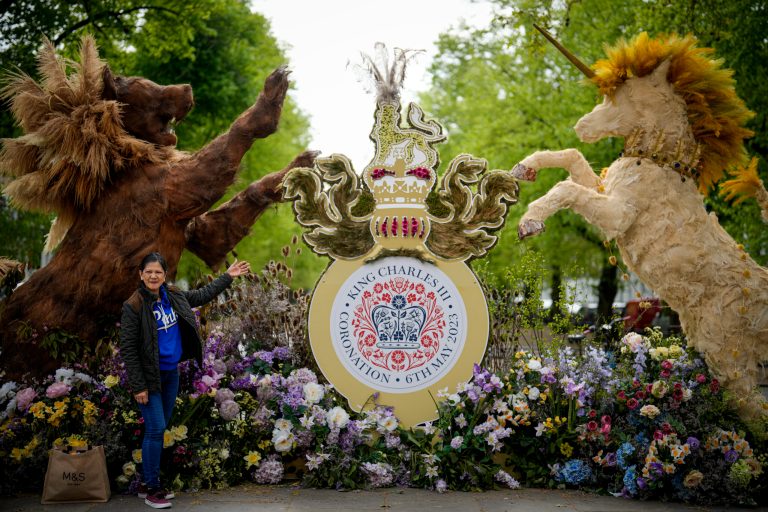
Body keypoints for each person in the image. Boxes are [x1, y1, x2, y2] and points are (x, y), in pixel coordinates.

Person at [120, 252, 250, 509]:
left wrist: (227, 277)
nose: (153, 276)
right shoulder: (133, 306)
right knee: (156, 428)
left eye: (158, 272)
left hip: (171, 374)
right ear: (140, 274)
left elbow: (201, 295)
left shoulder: (174, 295)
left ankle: (147, 483)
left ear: (165, 275)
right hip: (150, 377)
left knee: (158, 428)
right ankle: (152, 489)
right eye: (149, 272)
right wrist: (139, 386)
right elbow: (128, 349)